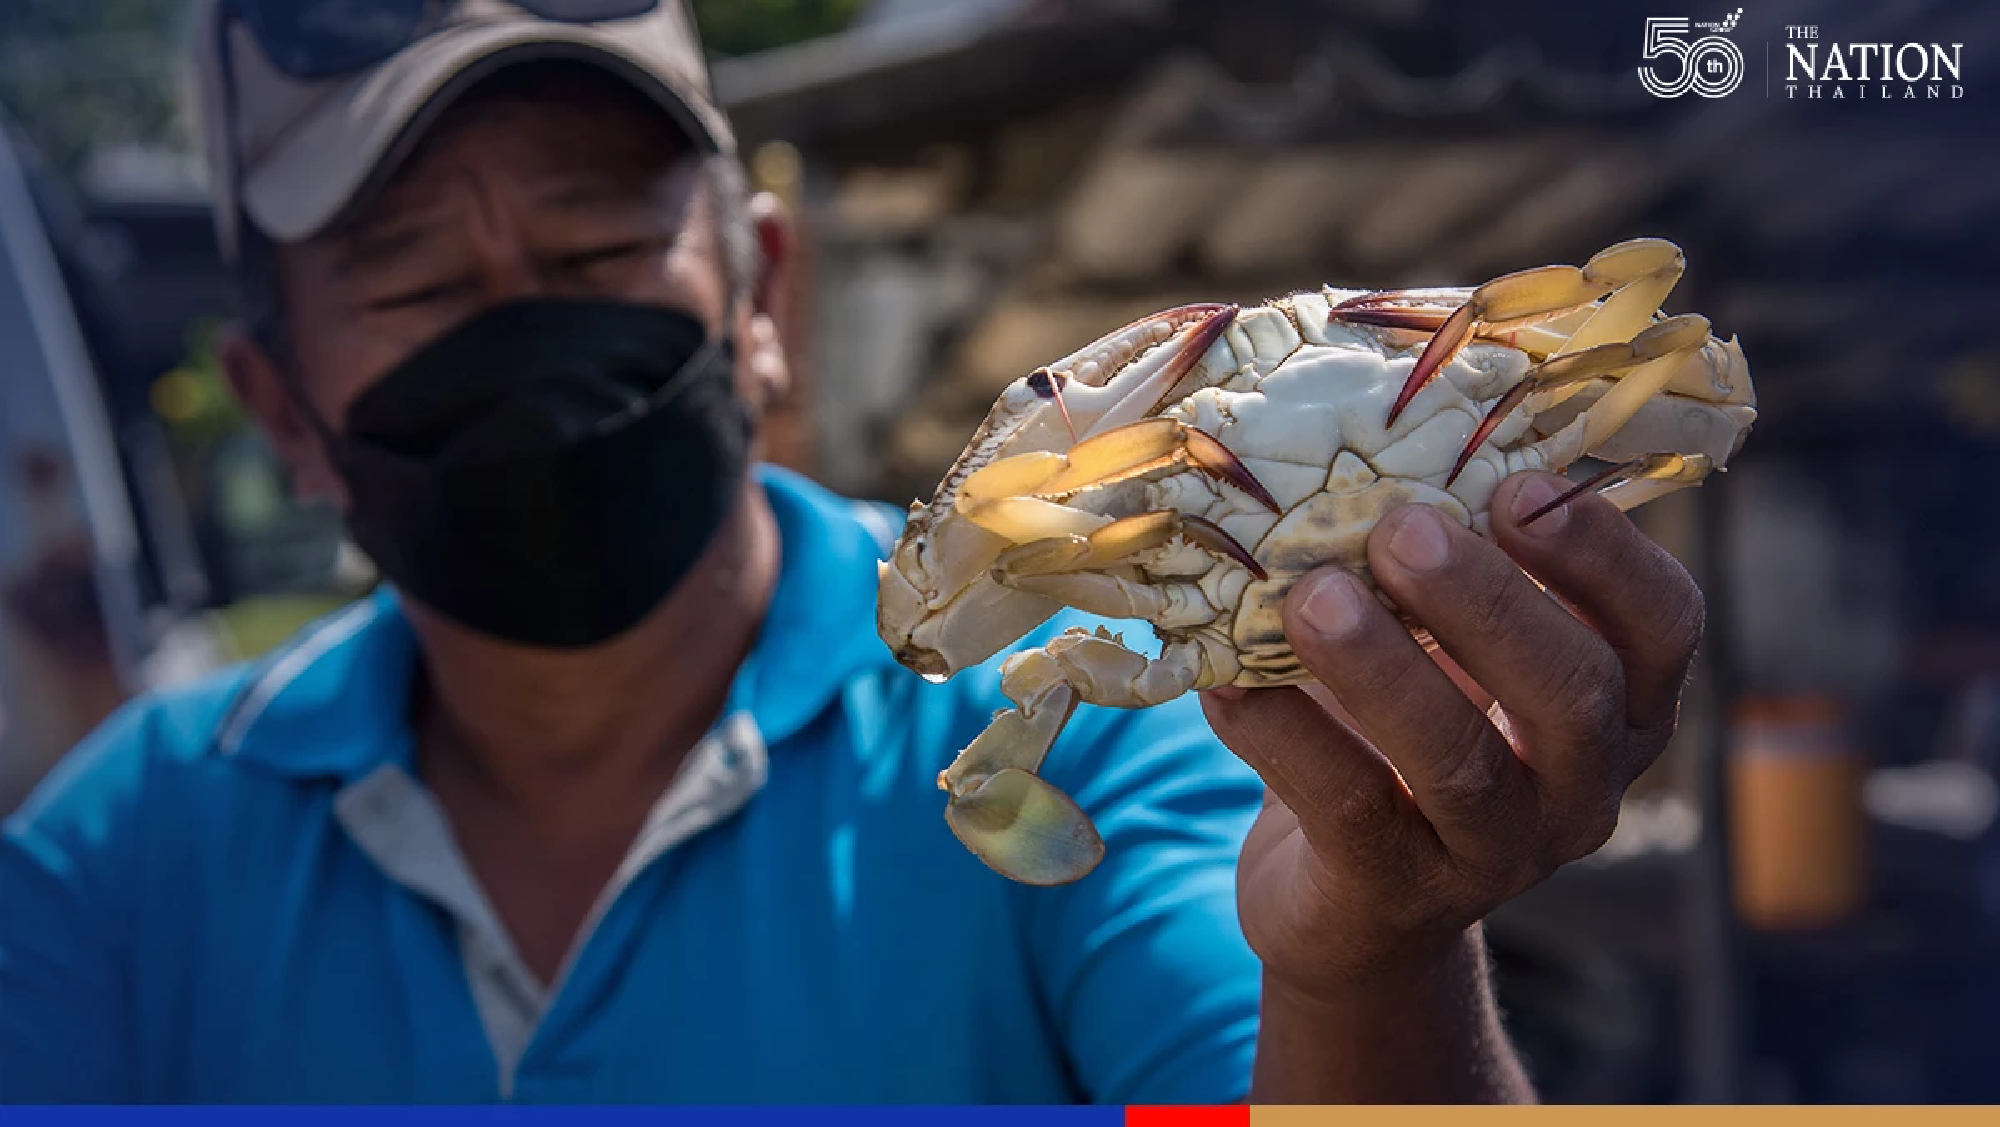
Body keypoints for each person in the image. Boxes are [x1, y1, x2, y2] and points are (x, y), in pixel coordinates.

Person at [0, 0, 1707, 1105]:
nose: (526, 332)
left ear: (767, 296)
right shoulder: (107, 871)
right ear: (279, 408)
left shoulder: (1079, 714)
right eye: (420, 291)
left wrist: (1369, 951)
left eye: (600, 239)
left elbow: (1239, 1070)